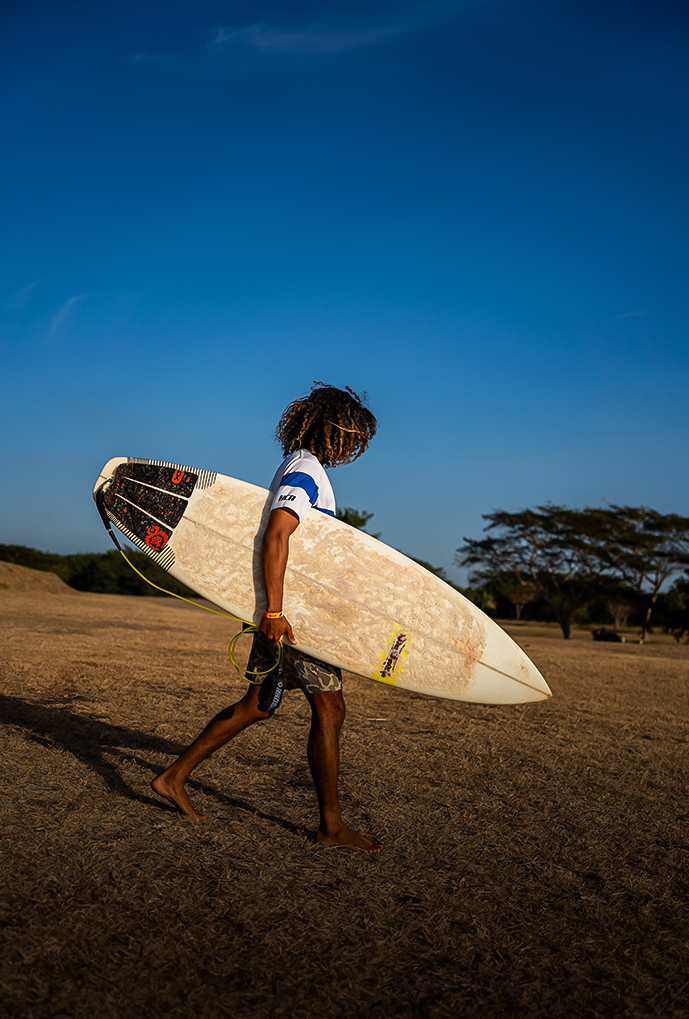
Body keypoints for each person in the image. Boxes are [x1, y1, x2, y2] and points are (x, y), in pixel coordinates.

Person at [152, 383, 383, 854]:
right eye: (352, 436)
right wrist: (276, 613)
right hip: (292, 616)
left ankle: (174, 776)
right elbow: (278, 534)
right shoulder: (307, 471)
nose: (354, 446)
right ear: (334, 431)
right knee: (329, 708)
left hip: (282, 611)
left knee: (257, 705)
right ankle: (331, 827)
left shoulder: (295, 465)